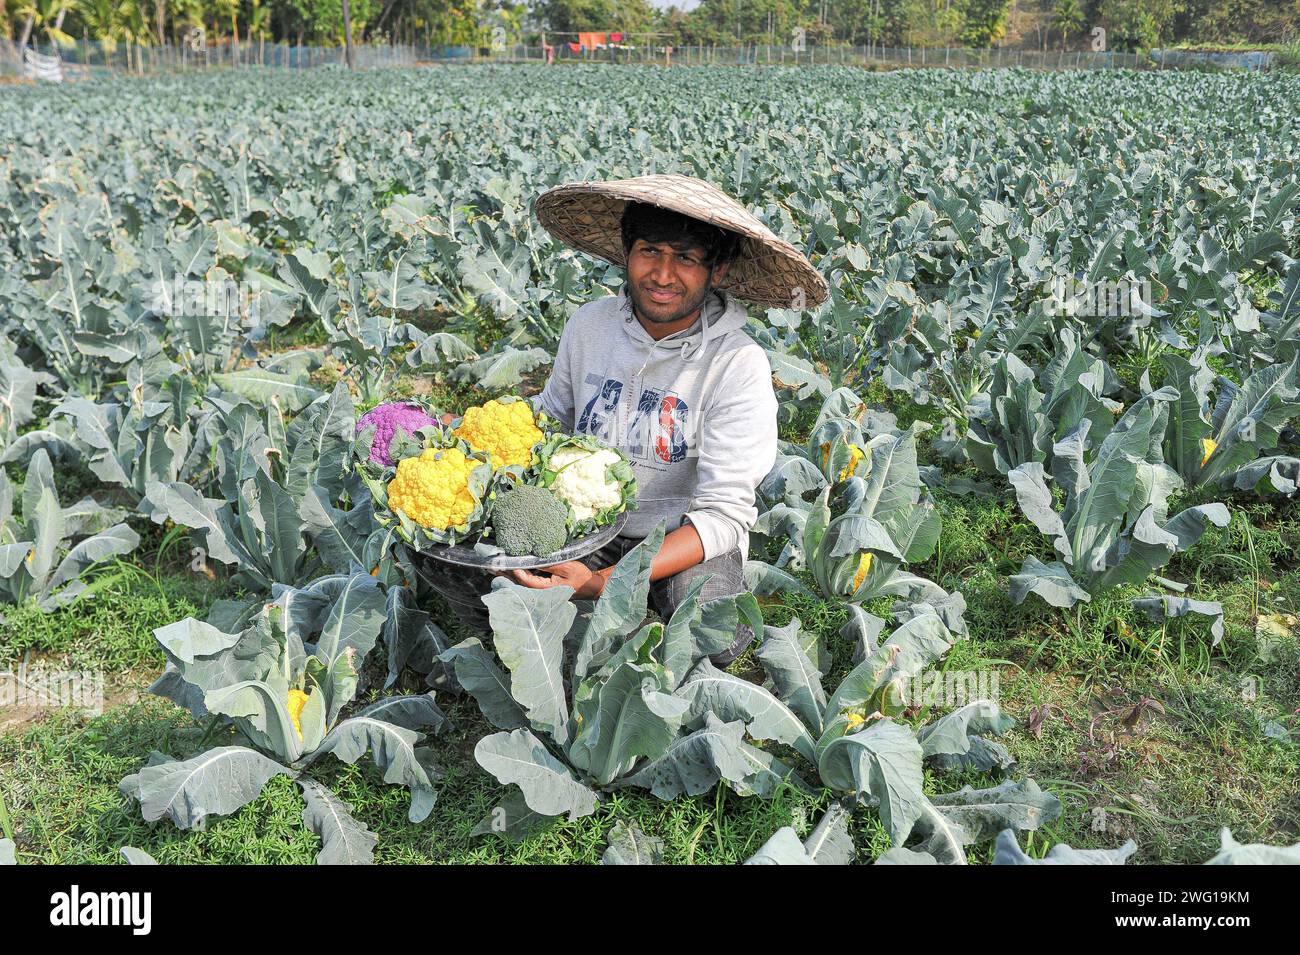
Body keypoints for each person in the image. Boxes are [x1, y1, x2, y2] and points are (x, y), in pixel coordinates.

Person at [507, 174, 827, 666]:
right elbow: (548, 422)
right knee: (490, 585)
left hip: (682, 537)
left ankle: (639, 604)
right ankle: (622, 612)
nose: (662, 274)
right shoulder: (588, 326)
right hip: (584, 528)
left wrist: (603, 584)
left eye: (686, 258)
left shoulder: (737, 364)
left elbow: (723, 515)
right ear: (626, 254)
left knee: (711, 636)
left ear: (716, 270)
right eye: (649, 251)